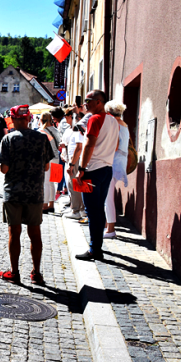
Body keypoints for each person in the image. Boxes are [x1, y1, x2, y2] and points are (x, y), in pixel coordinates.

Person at [0, 105, 55, 285]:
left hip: (13, 192)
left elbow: (4, 169)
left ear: (12, 120)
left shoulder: (8, 139)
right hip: (35, 192)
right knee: (35, 233)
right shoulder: (42, 138)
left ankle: (14, 272)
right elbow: (46, 166)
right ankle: (36, 273)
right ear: (28, 118)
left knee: (14, 232)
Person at [75, 90, 120, 261]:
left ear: (99, 102)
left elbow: (89, 145)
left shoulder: (95, 119)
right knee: (98, 209)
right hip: (106, 169)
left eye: (88, 100)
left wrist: (82, 168)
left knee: (93, 211)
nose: (85, 103)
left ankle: (95, 249)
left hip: (92, 169)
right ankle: (97, 245)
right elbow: (115, 146)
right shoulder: (113, 121)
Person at [104, 100, 130, 239]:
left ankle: (110, 228)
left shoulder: (115, 125)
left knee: (107, 197)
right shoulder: (124, 125)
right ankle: (108, 225)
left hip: (113, 161)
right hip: (120, 161)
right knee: (108, 195)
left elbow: (113, 146)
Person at [64, 113, 86, 220]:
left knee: (74, 185)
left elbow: (79, 148)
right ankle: (79, 209)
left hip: (76, 159)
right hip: (76, 158)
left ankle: (76, 210)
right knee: (75, 184)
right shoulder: (78, 129)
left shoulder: (79, 128)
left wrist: (72, 164)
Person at [38, 112, 61, 213]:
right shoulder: (56, 130)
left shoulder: (41, 131)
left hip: (46, 158)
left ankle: (45, 205)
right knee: (52, 182)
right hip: (56, 157)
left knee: (46, 182)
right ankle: (51, 204)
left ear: (41, 120)